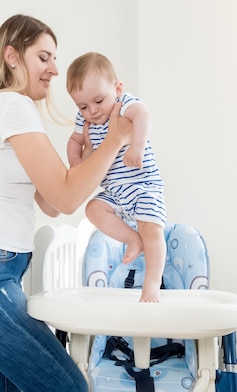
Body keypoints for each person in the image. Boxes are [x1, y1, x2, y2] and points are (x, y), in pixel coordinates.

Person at [0, 15, 132, 392]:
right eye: (44, 58)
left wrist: (85, 161)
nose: (55, 69)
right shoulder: (12, 106)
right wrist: (116, 139)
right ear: (12, 56)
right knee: (68, 386)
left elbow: (54, 203)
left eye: (54, 59)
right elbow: (66, 197)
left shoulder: (12, 111)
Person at [66, 52, 166, 303]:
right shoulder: (84, 119)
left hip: (142, 184)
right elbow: (75, 140)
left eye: (98, 100)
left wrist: (138, 147)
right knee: (93, 209)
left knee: (152, 230)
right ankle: (133, 239)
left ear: (117, 88)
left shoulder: (125, 105)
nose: (92, 110)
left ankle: (152, 283)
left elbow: (143, 116)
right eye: (83, 106)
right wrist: (76, 163)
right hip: (113, 190)